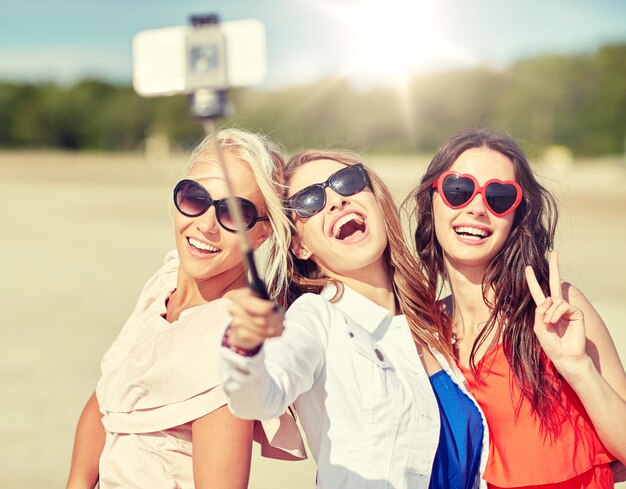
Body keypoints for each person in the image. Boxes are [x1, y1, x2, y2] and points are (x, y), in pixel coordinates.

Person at [219, 149, 490, 489]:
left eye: (347, 182)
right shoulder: (316, 319)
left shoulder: (433, 324)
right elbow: (260, 395)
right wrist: (244, 348)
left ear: (376, 201)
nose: (335, 201)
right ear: (300, 246)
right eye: (309, 201)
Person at [65, 128, 305, 489]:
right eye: (195, 198)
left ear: (263, 231)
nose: (206, 225)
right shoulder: (165, 283)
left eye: (235, 213)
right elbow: (109, 394)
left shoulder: (230, 346)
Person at [406, 128, 626, 488]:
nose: (477, 208)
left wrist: (577, 368)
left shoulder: (558, 311)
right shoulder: (422, 330)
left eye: (499, 196)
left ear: (516, 217)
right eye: (458, 190)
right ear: (433, 199)